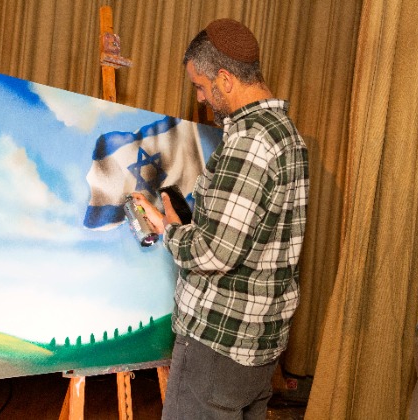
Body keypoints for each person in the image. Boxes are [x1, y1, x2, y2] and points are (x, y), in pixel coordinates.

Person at [132, 18, 309, 420]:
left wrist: (166, 229)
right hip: (259, 343)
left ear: (225, 80)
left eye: (200, 85)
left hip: (219, 344)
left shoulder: (249, 141)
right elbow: (253, 235)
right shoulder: (286, 134)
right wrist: (189, 224)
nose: (200, 98)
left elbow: (215, 253)